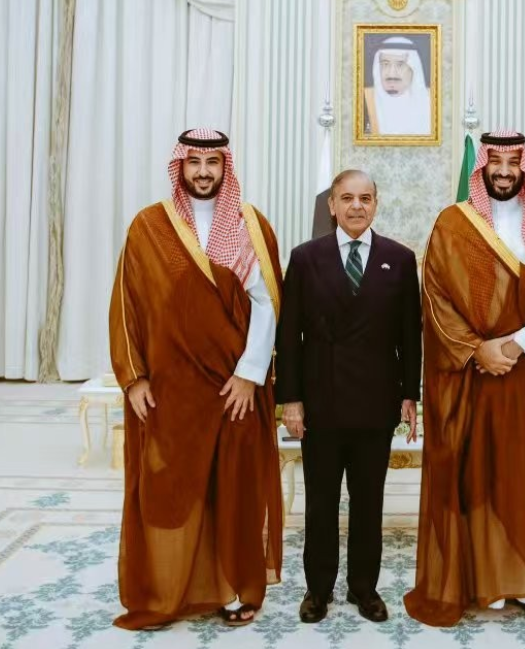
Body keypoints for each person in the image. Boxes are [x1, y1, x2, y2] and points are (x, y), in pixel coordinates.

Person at [404, 129, 525, 627]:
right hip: (475, 378)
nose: (504, 172)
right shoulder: (453, 223)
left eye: (513, 162)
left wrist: (515, 345)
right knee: (476, 477)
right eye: (495, 162)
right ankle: (479, 581)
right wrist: (477, 349)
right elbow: (436, 296)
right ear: (482, 166)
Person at [108, 128, 285, 629]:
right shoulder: (149, 226)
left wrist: (250, 374)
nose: (203, 173)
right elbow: (127, 304)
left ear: (225, 167)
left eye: (212, 163)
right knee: (170, 490)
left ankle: (231, 588)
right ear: (180, 167)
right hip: (172, 391)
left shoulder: (250, 225)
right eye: (194, 163)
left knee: (233, 490)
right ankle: (169, 589)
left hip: (234, 391)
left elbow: (268, 305)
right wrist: (135, 378)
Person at [275, 169, 422, 624]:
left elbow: (410, 335)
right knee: (320, 503)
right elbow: (289, 335)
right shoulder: (305, 258)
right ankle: (317, 590)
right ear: (332, 205)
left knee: (368, 502)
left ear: (376, 203)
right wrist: (291, 399)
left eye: (365, 198)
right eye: (347, 198)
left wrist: (410, 395)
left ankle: (364, 588)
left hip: (375, 404)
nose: (356, 206)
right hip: (320, 404)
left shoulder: (400, 259)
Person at [363, 36, 431, 135]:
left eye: (400, 65)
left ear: (413, 68)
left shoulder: (432, 102)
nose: (392, 73)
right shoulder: (366, 101)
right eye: (385, 64)